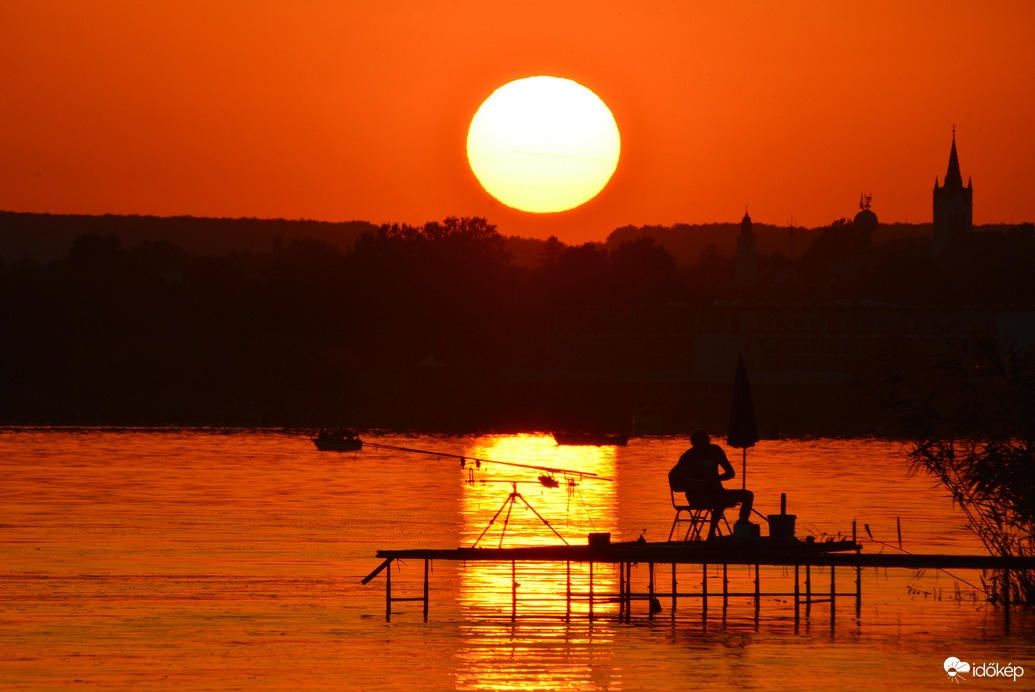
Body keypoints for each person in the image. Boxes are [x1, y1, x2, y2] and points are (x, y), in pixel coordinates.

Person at [669, 429, 755, 539]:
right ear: (693, 444)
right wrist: (689, 484)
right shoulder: (688, 456)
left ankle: (742, 524)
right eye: (698, 444)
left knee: (747, 495)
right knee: (720, 499)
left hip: (717, 491)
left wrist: (716, 478)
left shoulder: (715, 451)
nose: (702, 447)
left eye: (704, 443)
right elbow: (673, 476)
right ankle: (711, 533)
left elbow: (730, 473)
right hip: (696, 497)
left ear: (708, 441)